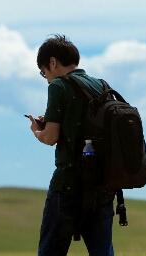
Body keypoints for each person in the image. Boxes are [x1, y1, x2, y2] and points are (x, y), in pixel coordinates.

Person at [28, 34, 115, 256]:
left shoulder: (58, 86)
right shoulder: (101, 86)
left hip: (68, 185)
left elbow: (50, 137)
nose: (45, 77)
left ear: (53, 62)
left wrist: (37, 131)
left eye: (43, 71)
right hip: (102, 185)